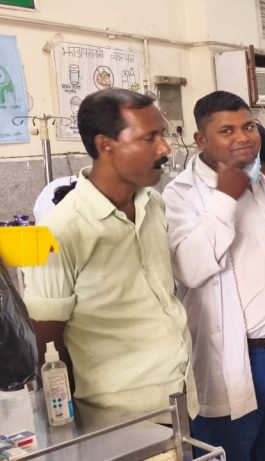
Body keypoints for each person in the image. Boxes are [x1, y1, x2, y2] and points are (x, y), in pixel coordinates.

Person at [21, 88, 197, 427]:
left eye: (162, 134)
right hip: (117, 418)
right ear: (106, 146)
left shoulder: (152, 204)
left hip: (180, 397)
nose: (165, 148)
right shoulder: (61, 231)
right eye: (149, 138)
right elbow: (48, 347)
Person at [162, 91, 265, 460]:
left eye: (248, 126)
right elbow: (189, 267)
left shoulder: (261, 182)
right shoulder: (180, 194)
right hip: (237, 356)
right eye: (227, 130)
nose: (243, 137)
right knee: (229, 452)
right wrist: (225, 197)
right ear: (201, 140)